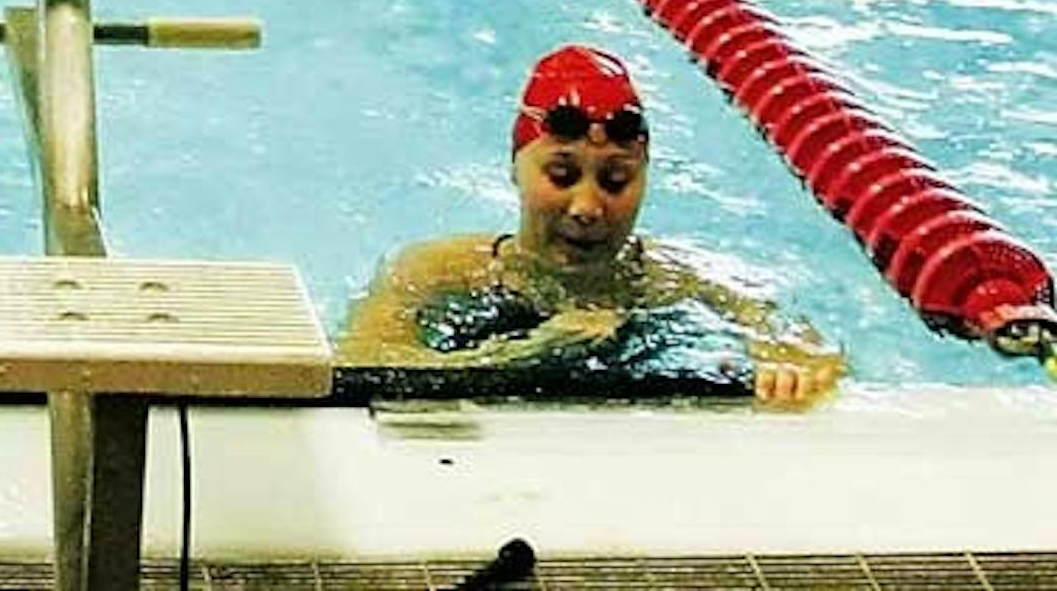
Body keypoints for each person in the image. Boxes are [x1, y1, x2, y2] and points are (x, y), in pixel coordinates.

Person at [335, 44, 844, 407]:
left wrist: (790, 371)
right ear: (515, 169)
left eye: (616, 180)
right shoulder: (435, 271)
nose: (587, 207)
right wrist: (535, 351)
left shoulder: (673, 279)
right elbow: (359, 367)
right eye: (561, 176)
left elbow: (809, 350)